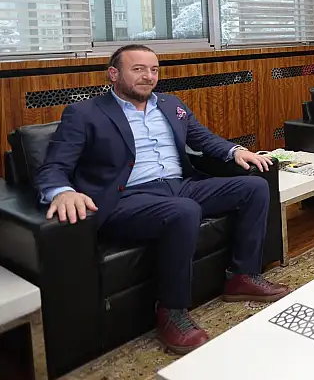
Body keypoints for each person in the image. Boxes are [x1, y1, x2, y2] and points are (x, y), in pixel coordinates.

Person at [34, 44, 289, 354]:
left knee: (255, 187)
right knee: (184, 211)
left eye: (154, 70)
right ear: (114, 74)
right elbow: (54, 166)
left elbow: (202, 138)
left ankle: (242, 276)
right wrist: (63, 192)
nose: (149, 76)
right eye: (138, 69)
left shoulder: (170, 104)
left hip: (181, 186)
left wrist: (235, 151)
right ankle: (171, 311)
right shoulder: (85, 113)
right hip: (127, 198)